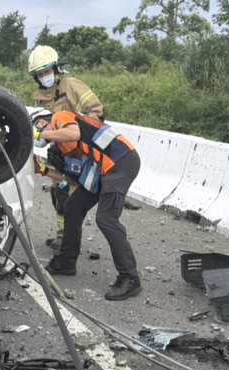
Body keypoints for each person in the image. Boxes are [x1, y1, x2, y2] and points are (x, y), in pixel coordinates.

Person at [35, 111, 143, 301]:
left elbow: (74, 133)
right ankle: (67, 261)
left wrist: (38, 134)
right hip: (100, 171)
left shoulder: (61, 117)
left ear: (43, 123)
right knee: (73, 206)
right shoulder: (61, 148)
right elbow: (69, 180)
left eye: (38, 129)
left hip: (121, 161)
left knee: (106, 219)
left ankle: (130, 277)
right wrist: (42, 169)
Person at [28, 45, 104, 253]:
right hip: (60, 152)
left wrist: (83, 137)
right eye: (40, 74)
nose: (44, 77)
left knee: (71, 197)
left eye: (47, 71)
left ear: (56, 69)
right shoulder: (42, 97)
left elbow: (96, 111)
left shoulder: (71, 86)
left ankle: (69, 240)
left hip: (79, 151)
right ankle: (62, 234)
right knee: (58, 192)